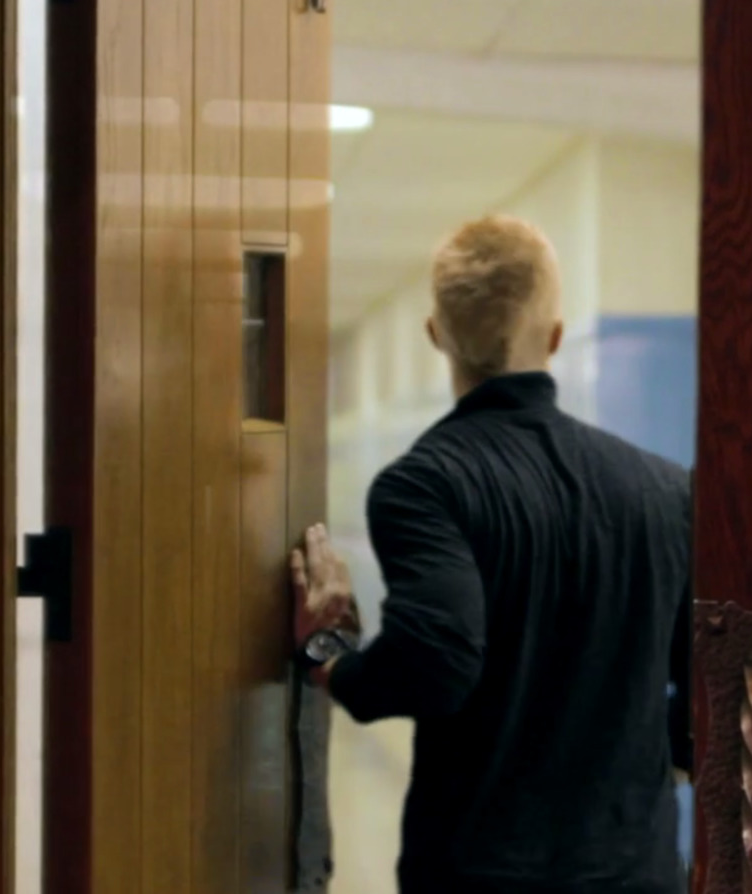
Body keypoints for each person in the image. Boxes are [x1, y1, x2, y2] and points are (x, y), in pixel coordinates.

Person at [290, 215, 692, 894]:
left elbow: (437, 658)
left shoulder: (424, 484)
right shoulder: (665, 488)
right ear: (556, 338)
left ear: (436, 335)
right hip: (636, 871)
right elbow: (702, 675)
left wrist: (325, 656)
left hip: (480, 871)